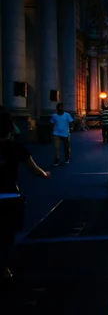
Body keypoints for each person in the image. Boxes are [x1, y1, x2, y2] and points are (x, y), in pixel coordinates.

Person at [0, 110, 51, 279]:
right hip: (9, 196)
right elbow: (35, 170)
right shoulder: (16, 148)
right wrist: (45, 174)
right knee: (7, 234)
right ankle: (4, 269)